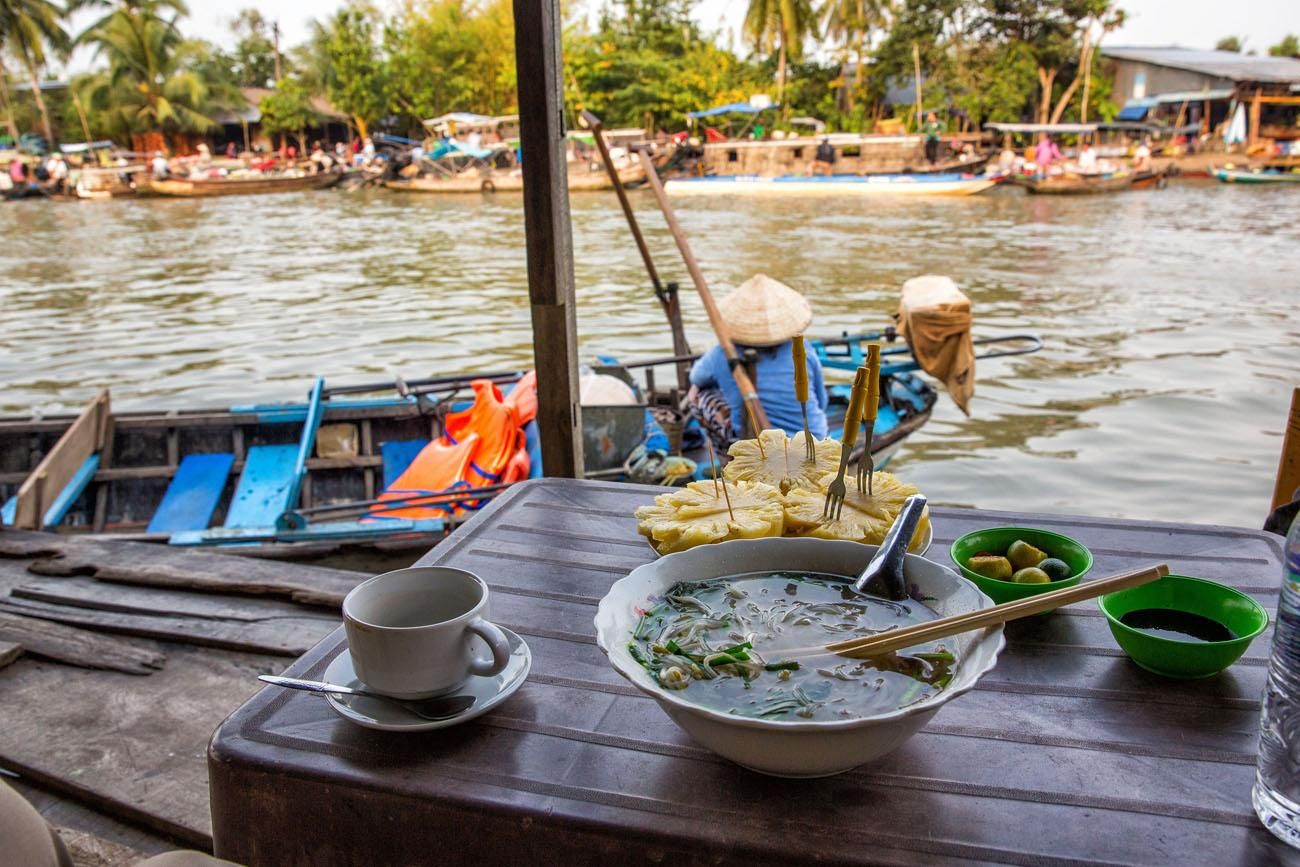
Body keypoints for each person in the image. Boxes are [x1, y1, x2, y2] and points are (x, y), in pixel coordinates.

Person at [687, 274, 829, 452]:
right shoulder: (804, 348)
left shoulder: (721, 354)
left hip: (756, 444)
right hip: (816, 439)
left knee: (699, 393)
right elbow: (822, 401)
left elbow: (696, 377)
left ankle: (725, 456)